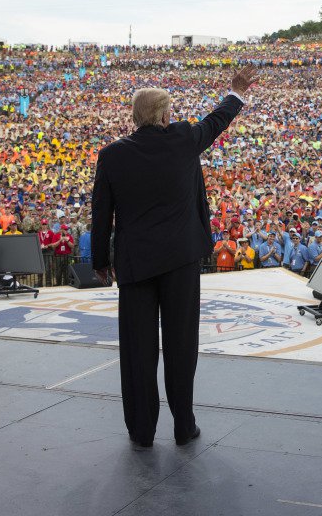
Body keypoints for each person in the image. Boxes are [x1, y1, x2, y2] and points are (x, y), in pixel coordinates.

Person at [91, 65, 257, 450]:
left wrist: (101, 260)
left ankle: (141, 431)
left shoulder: (112, 155)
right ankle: (184, 425)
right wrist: (234, 91)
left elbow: (102, 214)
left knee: (137, 350)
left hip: (135, 264)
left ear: (136, 117)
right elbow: (217, 121)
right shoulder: (183, 138)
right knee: (181, 344)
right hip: (181, 260)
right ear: (165, 116)